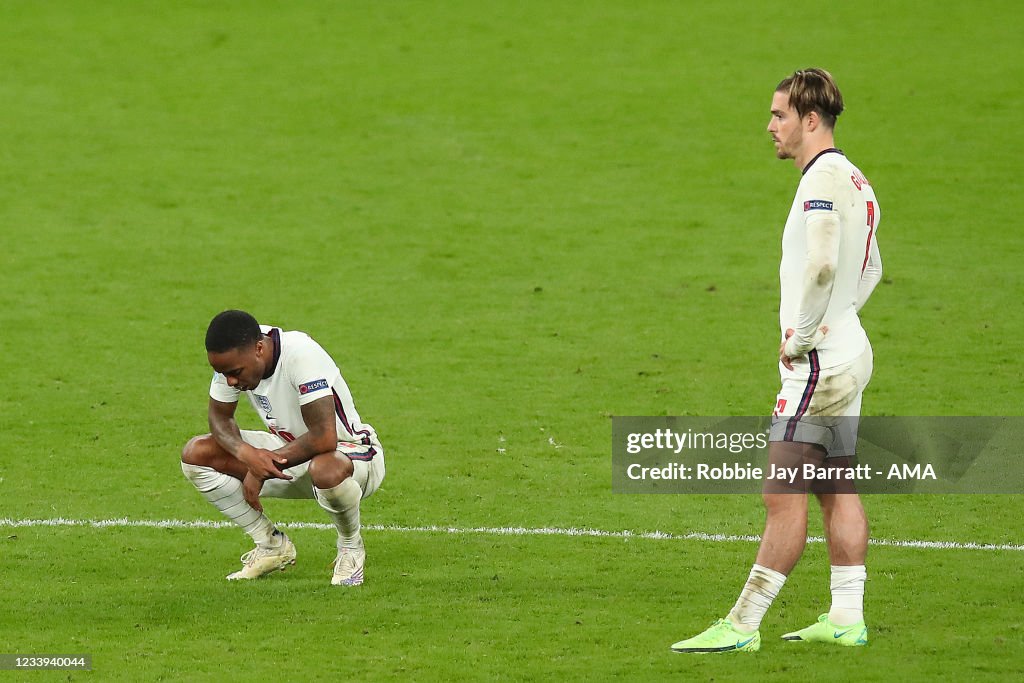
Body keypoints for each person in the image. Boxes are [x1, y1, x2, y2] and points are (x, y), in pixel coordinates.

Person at [672, 68, 882, 653]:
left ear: (810, 121)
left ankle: (742, 626)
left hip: (818, 367)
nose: (770, 126)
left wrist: (803, 336)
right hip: (851, 353)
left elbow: (820, 264)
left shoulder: (819, 183)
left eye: (779, 115)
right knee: (837, 484)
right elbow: (871, 268)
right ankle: (846, 616)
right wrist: (841, 317)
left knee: (781, 494)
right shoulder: (858, 182)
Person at [180, 310, 385, 585]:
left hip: (352, 455)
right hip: (291, 454)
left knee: (325, 466)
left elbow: (324, 438)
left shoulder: (300, 353)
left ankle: (351, 548)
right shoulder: (237, 352)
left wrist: (261, 468)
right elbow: (220, 419)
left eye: (234, 373)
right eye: (221, 373)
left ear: (259, 349)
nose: (230, 381)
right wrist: (248, 456)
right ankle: (271, 545)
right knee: (197, 454)